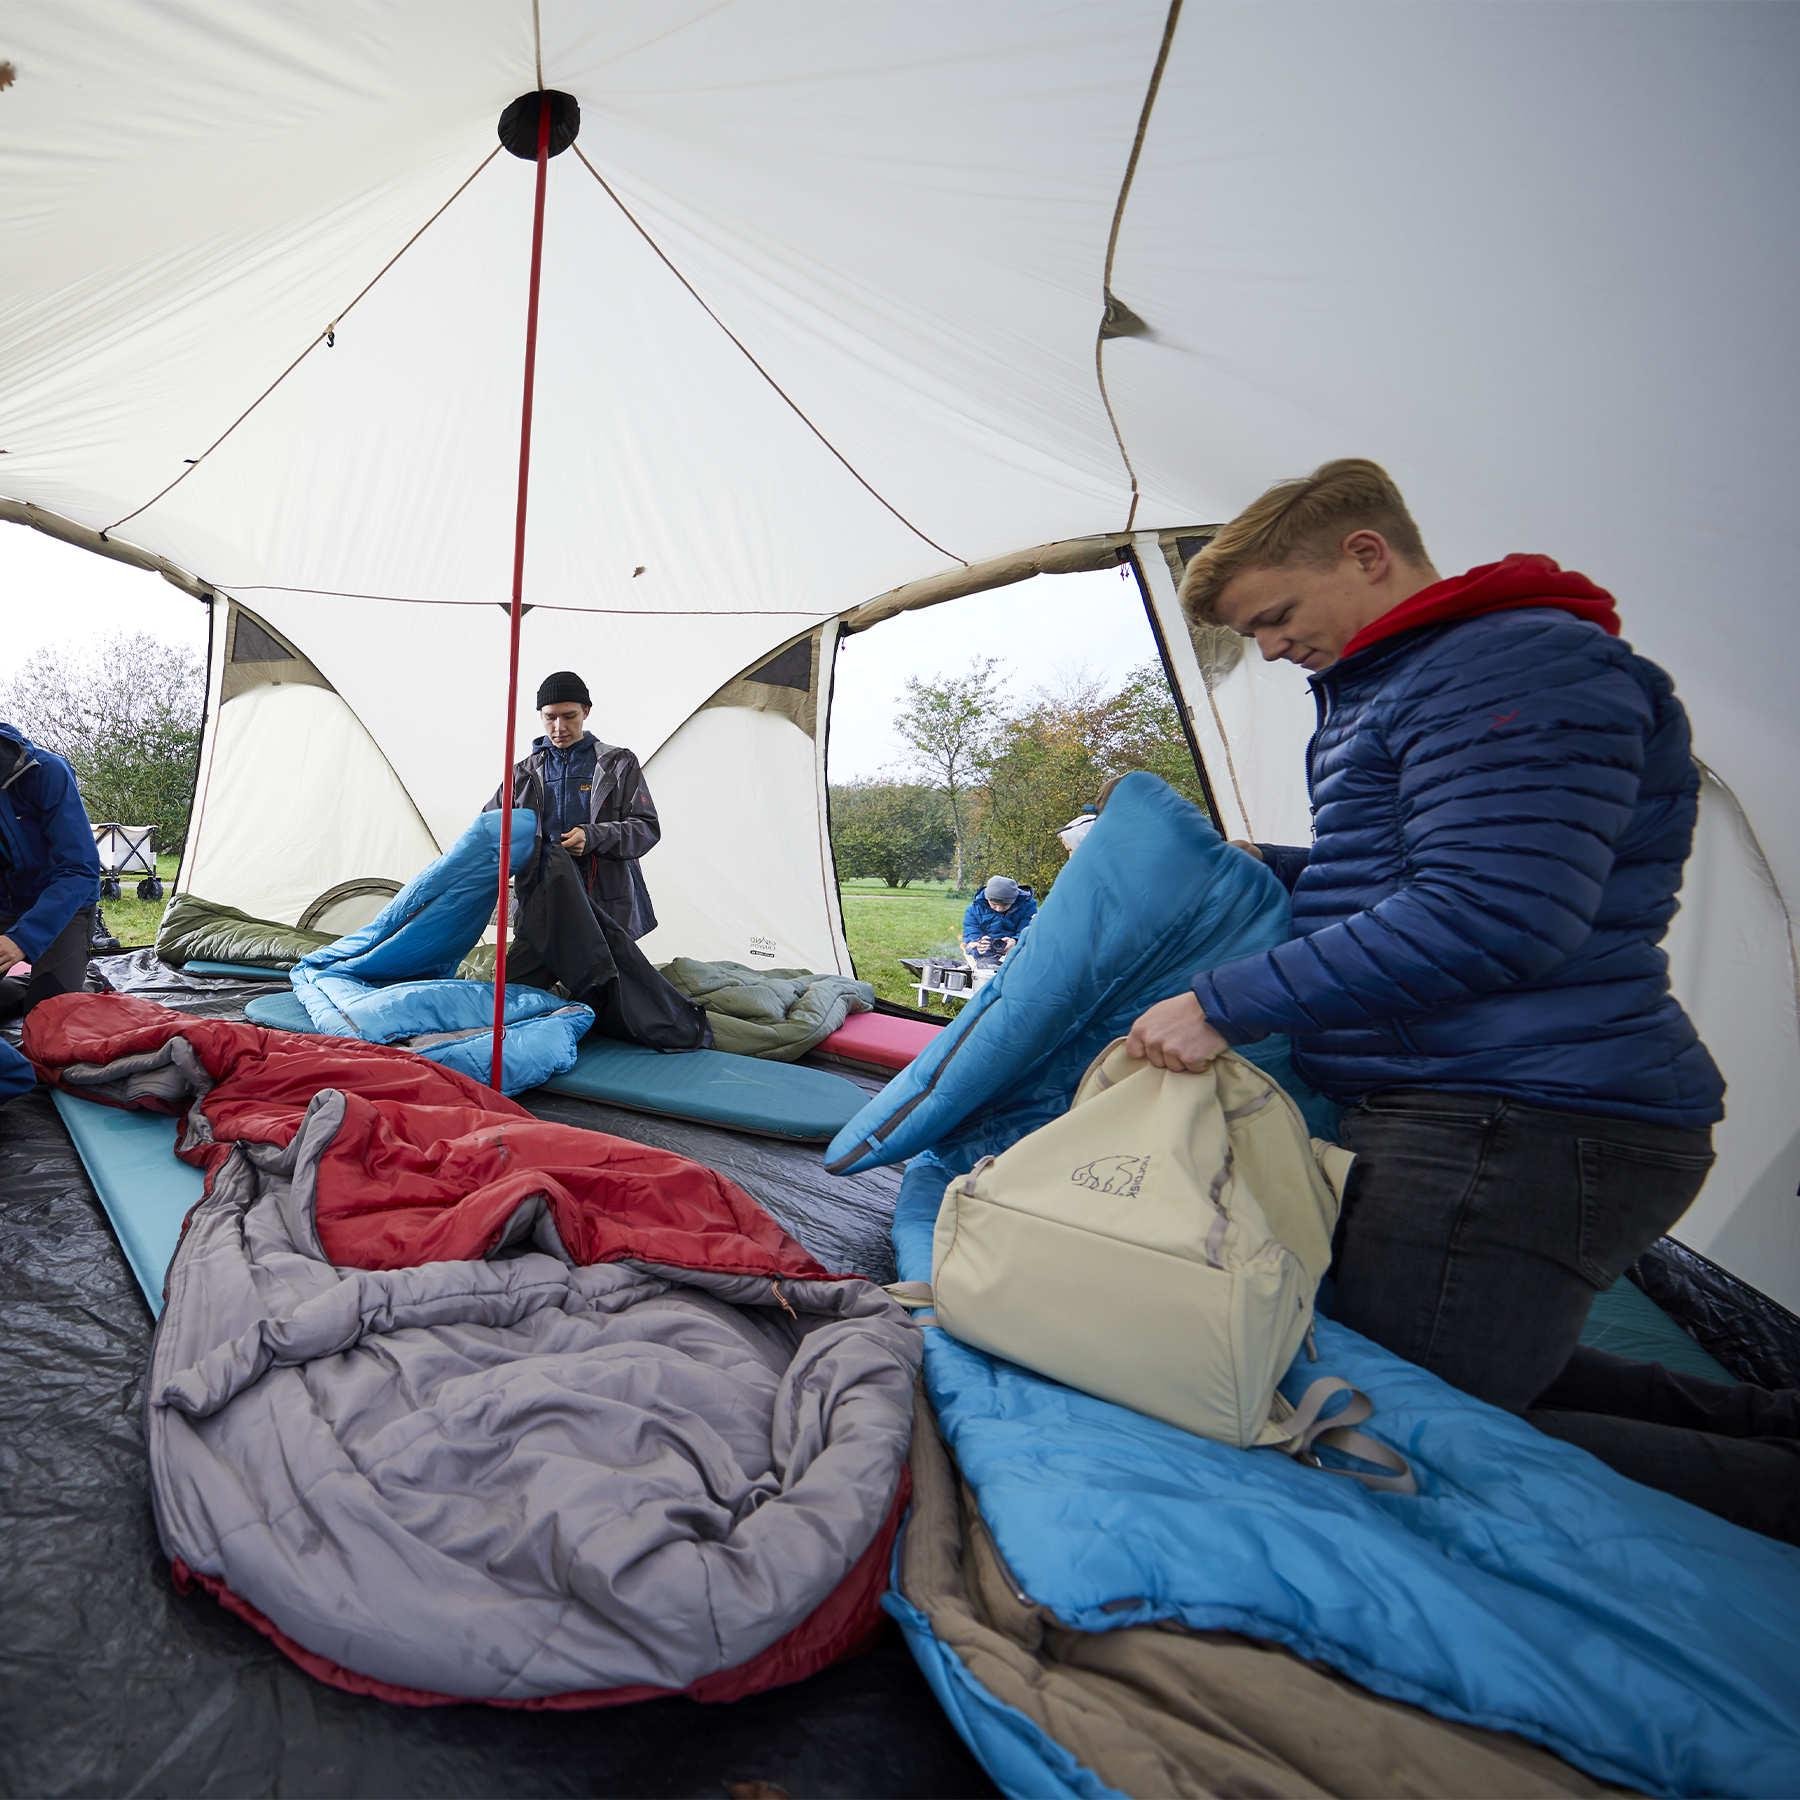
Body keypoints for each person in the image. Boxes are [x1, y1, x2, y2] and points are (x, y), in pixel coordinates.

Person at [1123, 458, 1798, 1544]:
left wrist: (1224, 1002)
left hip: (1517, 1116)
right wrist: (1265, 870)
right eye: (1254, 636)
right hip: (1485, 1100)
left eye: (1279, 617)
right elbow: (1416, 876)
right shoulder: (1412, 682)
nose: (1273, 650)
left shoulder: (1508, 667)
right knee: (1475, 1381)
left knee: (1414, 1427)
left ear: (1367, 553)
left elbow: (1496, 912)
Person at [487, 672, 660, 939]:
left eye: (569, 716)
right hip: (541, 906)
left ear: (586, 712)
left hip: (607, 909)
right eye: (550, 717)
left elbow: (646, 829)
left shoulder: (618, 764)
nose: (559, 727)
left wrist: (592, 837)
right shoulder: (522, 775)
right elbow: (488, 829)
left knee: (603, 979)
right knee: (523, 980)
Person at [0, 721, 101, 1020]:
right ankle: (26, 987)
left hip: (65, 906)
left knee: (48, 1017)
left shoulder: (46, 772)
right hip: (6, 902)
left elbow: (80, 869)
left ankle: (81, 984)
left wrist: (22, 939)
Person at [962, 875, 1037, 987]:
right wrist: (978, 944)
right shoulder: (975, 909)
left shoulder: (1027, 906)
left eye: (1005, 905)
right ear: (987, 899)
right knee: (970, 949)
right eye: (994, 904)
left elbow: (1029, 930)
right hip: (985, 955)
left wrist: (1016, 942)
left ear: (1014, 900)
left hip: (1017, 953)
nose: (999, 909)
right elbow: (970, 932)